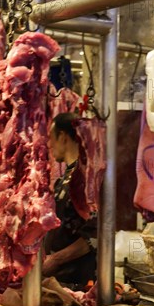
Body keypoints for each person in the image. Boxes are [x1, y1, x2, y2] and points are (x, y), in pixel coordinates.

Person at [43, 113, 97, 290]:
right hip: (59, 280)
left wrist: (56, 259)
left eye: (52, 138)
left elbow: (95, 234)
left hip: (79, 283)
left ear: (63, 137)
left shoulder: (87, 178)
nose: (50, 145)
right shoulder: (65, 179)